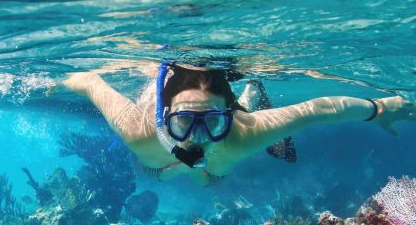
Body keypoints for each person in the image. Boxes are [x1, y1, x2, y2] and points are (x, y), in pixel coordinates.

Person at [60, 63, 414, 185]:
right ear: (164, 117)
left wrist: (379, 108)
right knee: (159, 171)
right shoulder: (140, 132)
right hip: (159, 161)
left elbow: (317, 108)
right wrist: (55, 82)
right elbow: (91, 81)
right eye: (184, 121)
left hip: (229, 129)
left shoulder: (243, 133)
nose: (197, 137)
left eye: (213, 121)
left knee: (211, 181)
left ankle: (248, 94)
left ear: (226, 117)